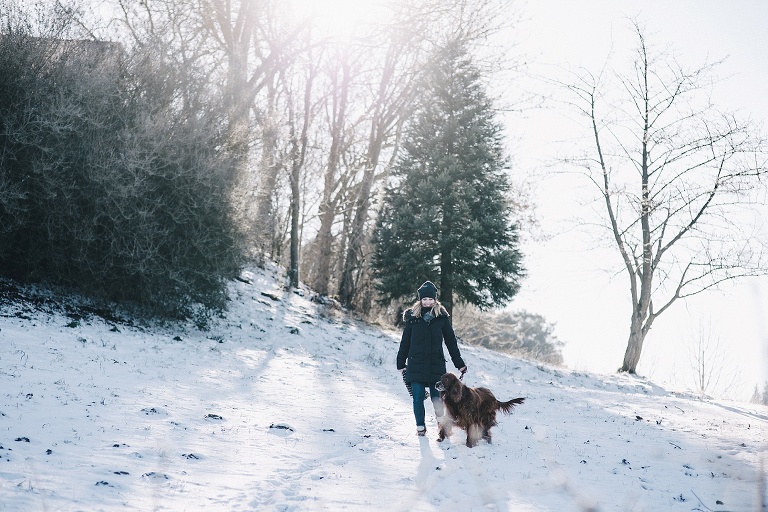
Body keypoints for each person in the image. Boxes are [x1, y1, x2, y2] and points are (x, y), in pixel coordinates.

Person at [396, 281, 467, 437]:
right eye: (424, 299)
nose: (427, 302)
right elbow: (405, 342)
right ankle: (420, 427)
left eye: (430, 299)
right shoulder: (412, 318)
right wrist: (401, 363)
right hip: (416, 363)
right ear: (420, 300)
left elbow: (451, 342)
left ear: (435, 300)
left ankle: (442, 427)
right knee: (418, 397)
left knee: (438, 400)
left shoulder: (441, 318)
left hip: (436, 365)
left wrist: (459, 364)